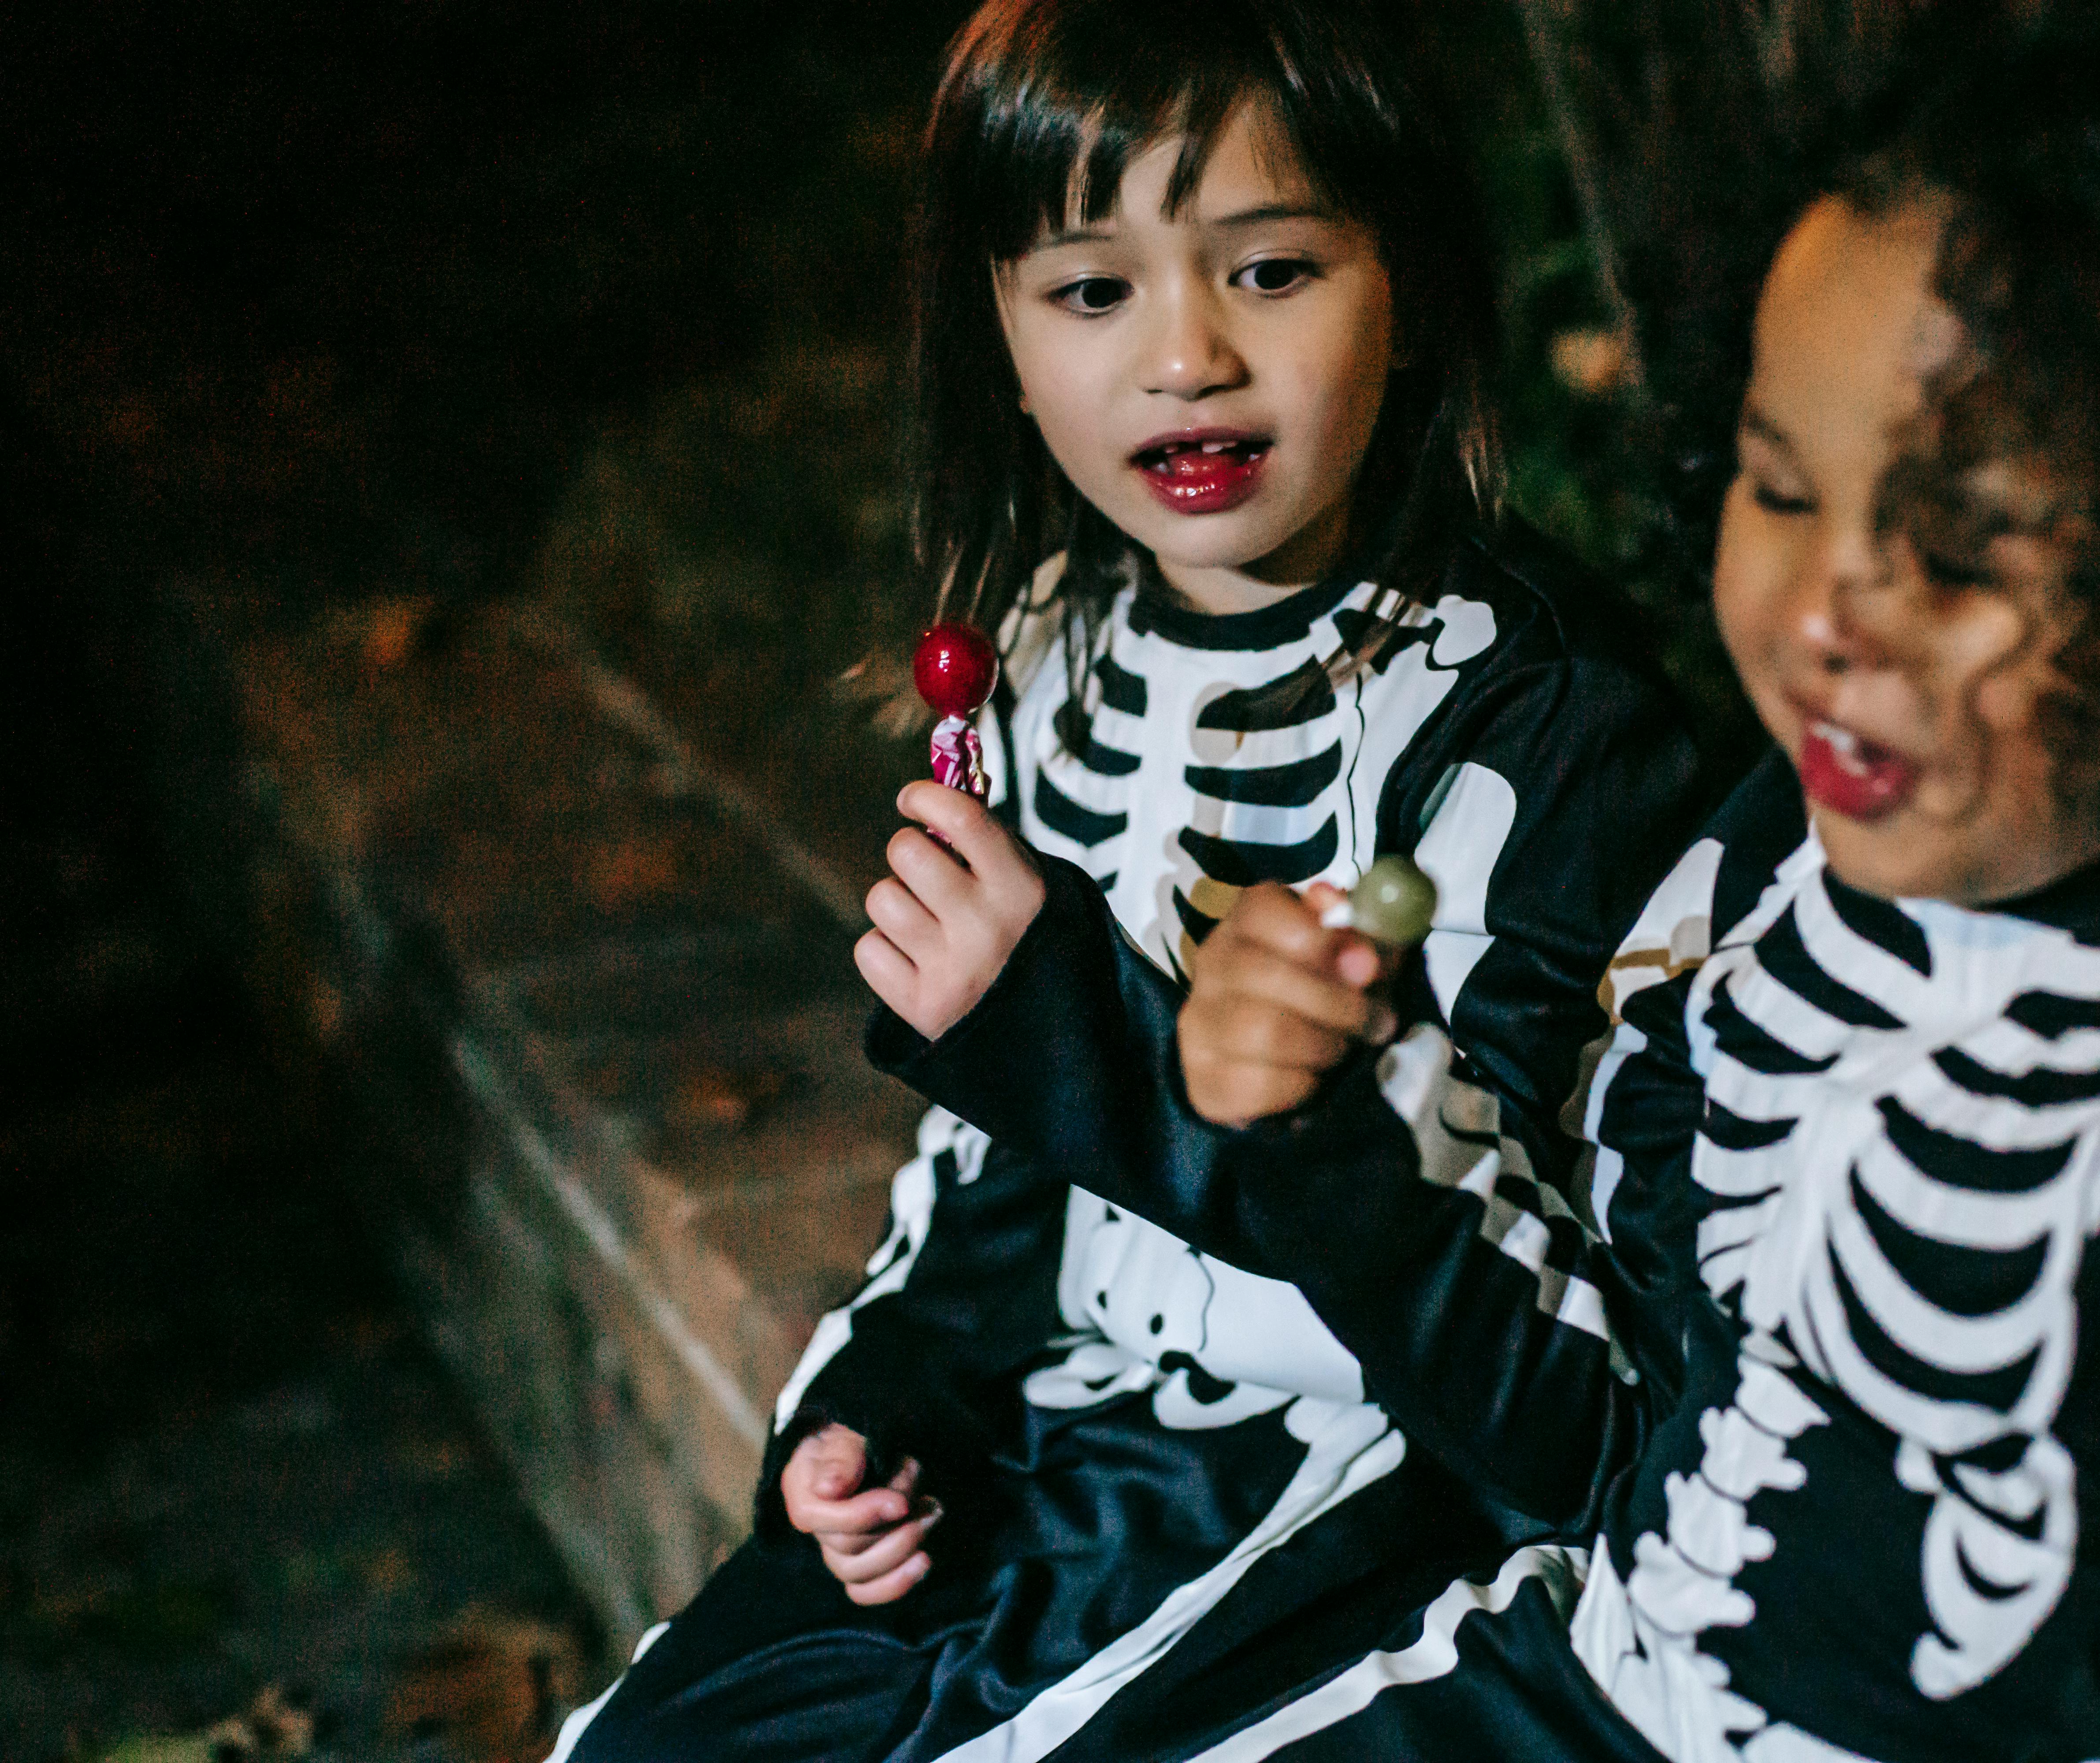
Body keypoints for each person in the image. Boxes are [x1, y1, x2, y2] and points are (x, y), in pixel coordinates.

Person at [970, 19, 2100, 1761]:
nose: (1827, 616)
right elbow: (1597, 1459)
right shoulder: (1761, 878)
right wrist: (1328, 1138)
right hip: (1554, 1686)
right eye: (1777, 487)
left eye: (1961, 548)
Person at [552, 0, 1699, 1756]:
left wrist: (1069, 1025)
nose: (1186, 360)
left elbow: (1570, 1391)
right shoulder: (1041, 660)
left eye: (1273, 270)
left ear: (1413, 290)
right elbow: (981, 1196)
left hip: (1383, 1481)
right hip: (1047, 1438)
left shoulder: (1540, 736)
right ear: (999, 343)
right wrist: (874, 1413)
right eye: (1093, 292)